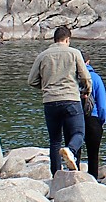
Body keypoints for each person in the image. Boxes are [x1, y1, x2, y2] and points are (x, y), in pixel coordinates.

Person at [28, 25, 91, 173]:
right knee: (79, 133)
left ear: (54, 39)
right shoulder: (74, 53)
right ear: (67, 39)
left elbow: (32, 80)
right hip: (71, 99)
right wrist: (86, 90)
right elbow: (85, 77)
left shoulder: (43, 55)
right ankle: (71, 150)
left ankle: (56, 175)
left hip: (50, 101)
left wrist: (46, 88)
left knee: (55, 141)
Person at [83, 57, 106, 177]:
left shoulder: (71, 77)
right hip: (93, 117)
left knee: (75, 149)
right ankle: (93, 178)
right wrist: (102, 120)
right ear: (88, 62)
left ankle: (74, 175)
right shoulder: (96, 78)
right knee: (93, 153)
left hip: (75, 117)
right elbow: (102, 104)